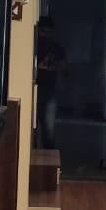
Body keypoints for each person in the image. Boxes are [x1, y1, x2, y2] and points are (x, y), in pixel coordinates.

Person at [36, 15, 66, 148]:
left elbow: (65, 69)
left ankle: (48, 157)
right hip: (34, 89)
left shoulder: (57, 48)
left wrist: (53, 65)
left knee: (48, 130)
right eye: (43, 31)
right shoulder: (33, 45)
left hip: (50, 91)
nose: (45, 35)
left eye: (48, 32)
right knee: (32, 127)